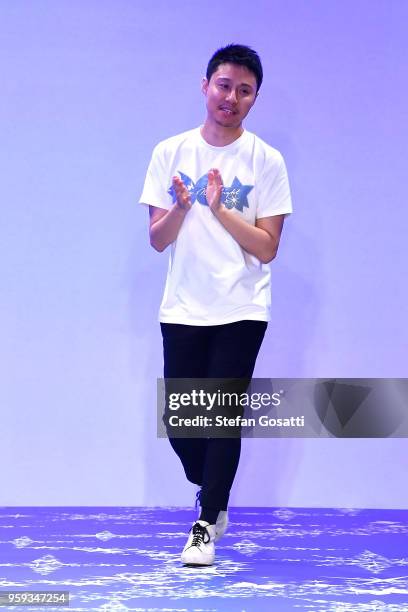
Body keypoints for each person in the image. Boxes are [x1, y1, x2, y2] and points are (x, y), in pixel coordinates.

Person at [139, 44, 292, 566]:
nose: (231, 97)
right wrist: (182, 207)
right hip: (182, 306)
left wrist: (219, 208)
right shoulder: (169, 152)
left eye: (243, 90)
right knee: (184, 425)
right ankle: (213, 489)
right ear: (205, 85)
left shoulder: (266, 160)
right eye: (224, 85)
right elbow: (158, 239)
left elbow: (268, 247)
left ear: (254, 98)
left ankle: (206, 524)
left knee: (222, 416)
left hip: (242, 306)